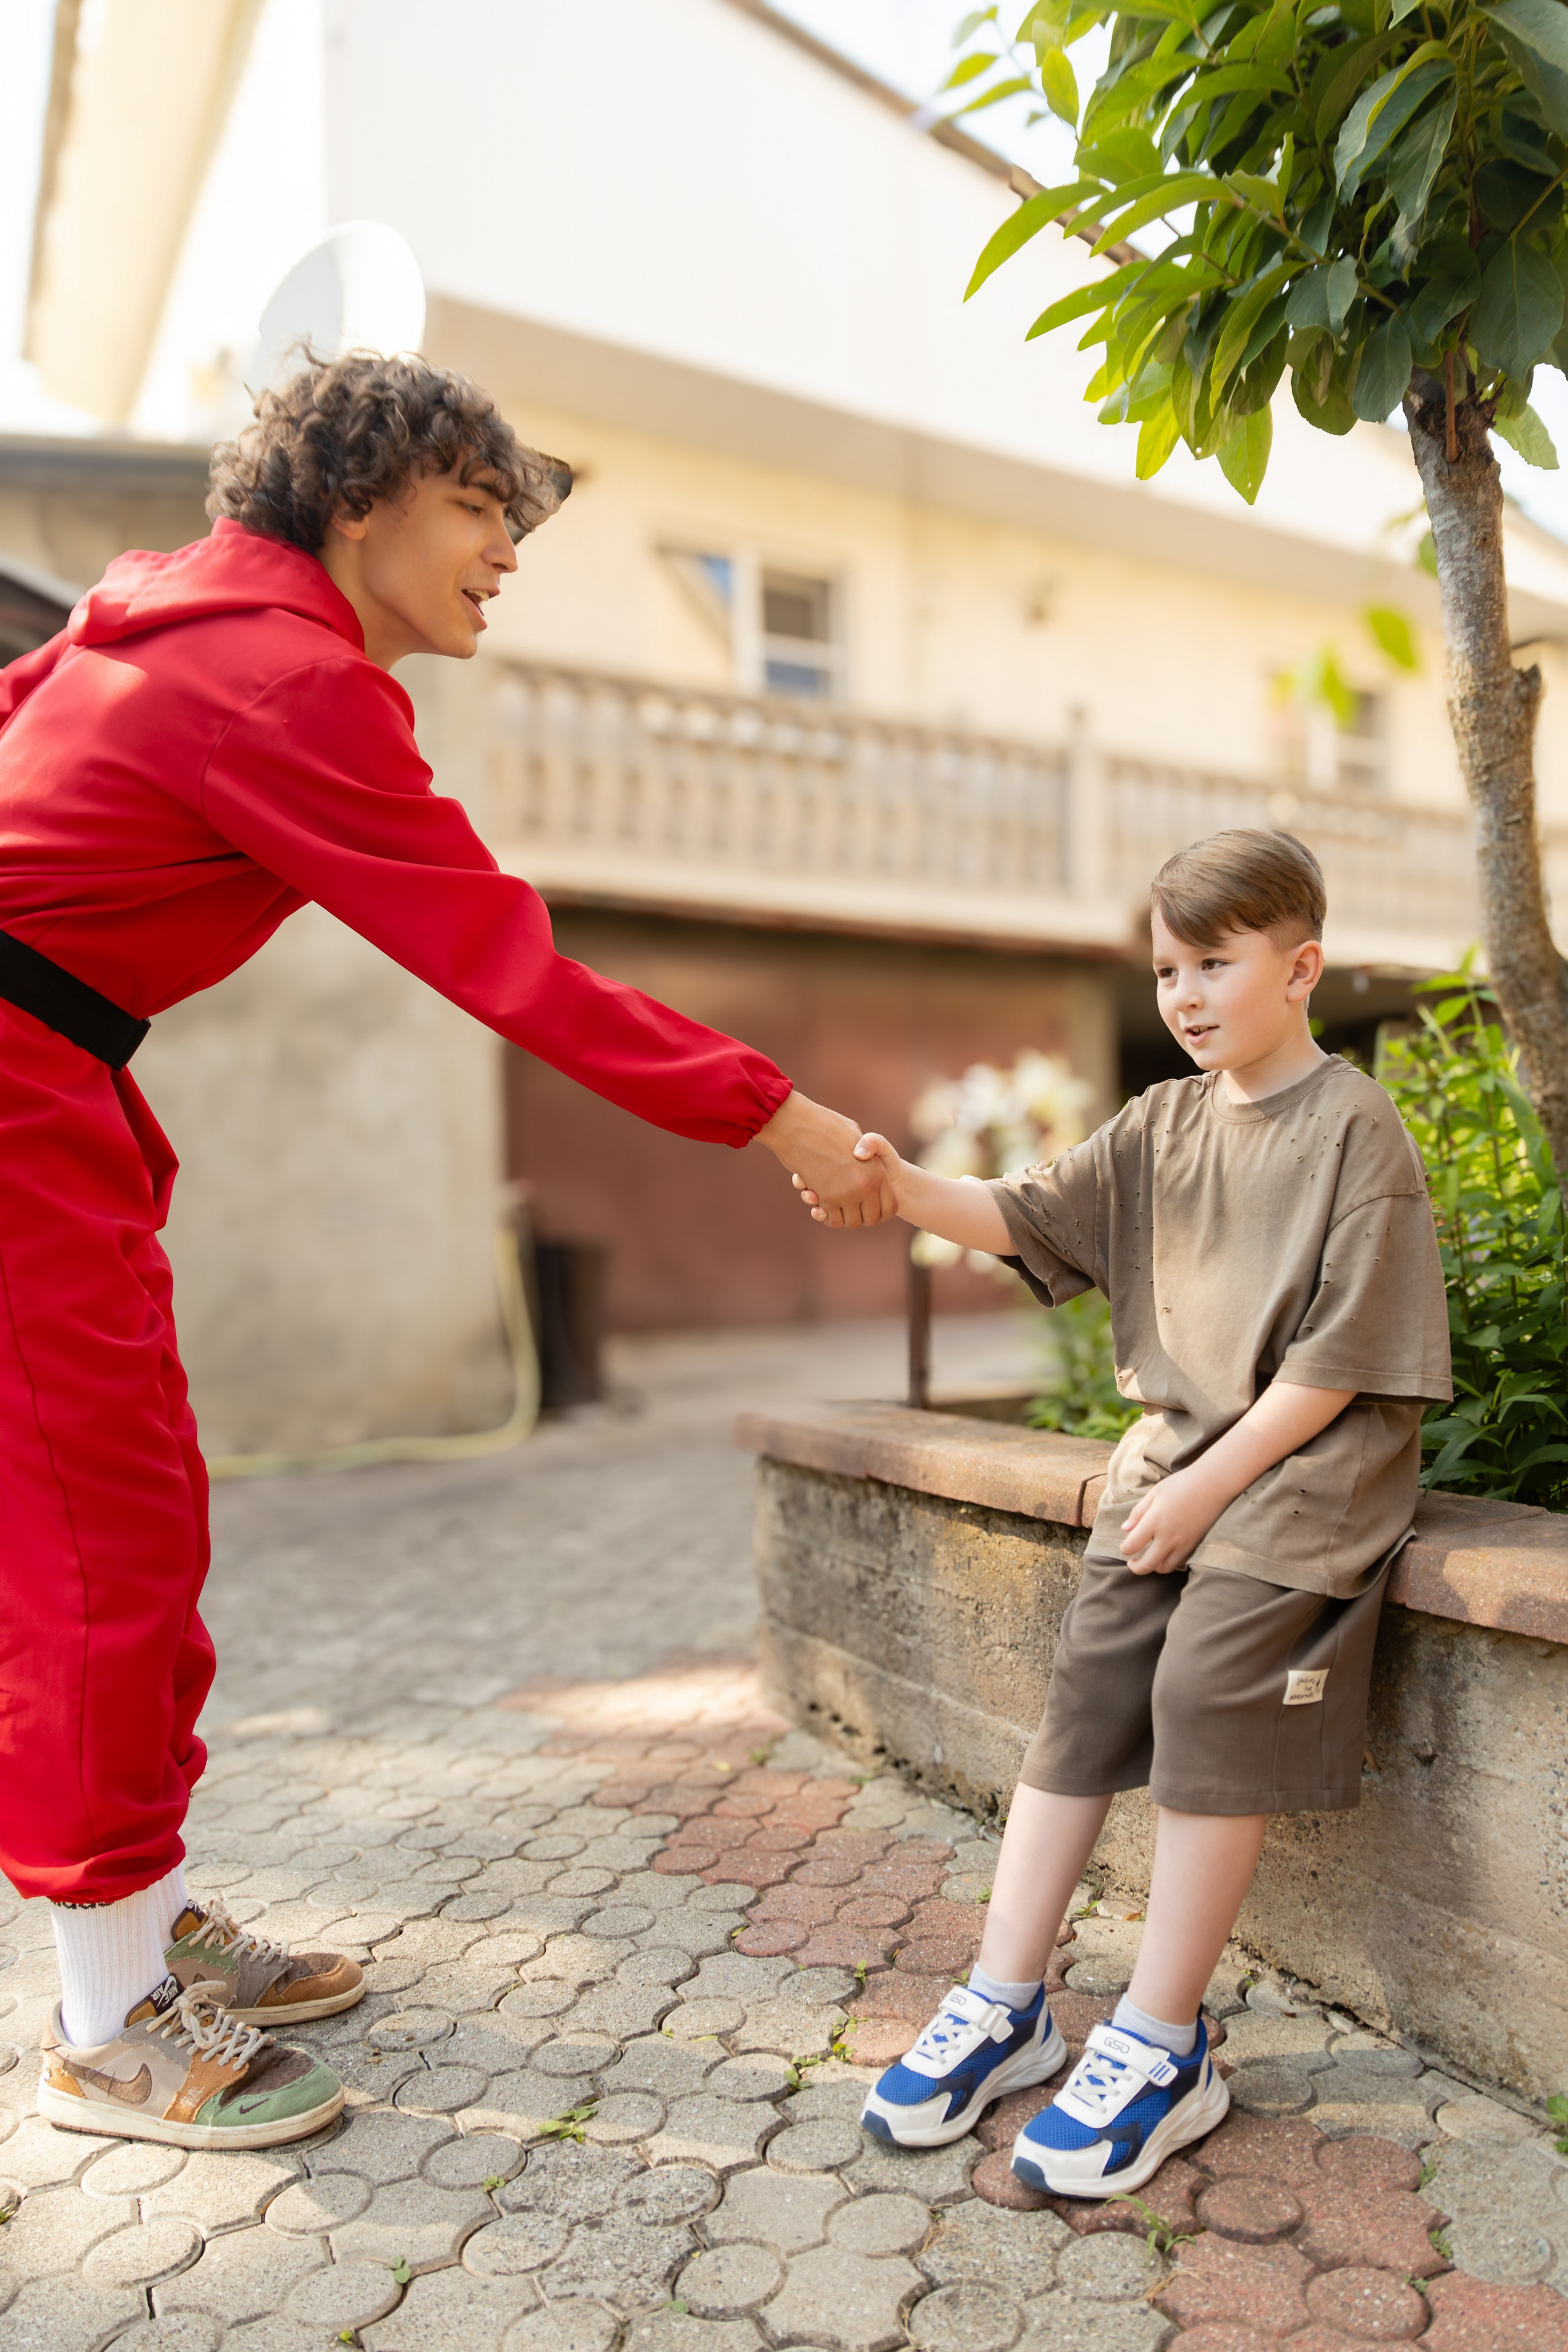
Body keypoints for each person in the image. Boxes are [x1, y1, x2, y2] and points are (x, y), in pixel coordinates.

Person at [1, 352, 892, 2152]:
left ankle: (147, 1922)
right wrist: (778, 1113)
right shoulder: (282, 685)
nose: (508, 551)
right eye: (482, 507)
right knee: (94, 1545)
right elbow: (517, 972)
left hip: (50, 1086)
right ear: (363, 500)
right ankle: (105, 2027)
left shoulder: (158, 629)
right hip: (16, 1092)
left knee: (140, 1511)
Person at [805, 829, 1450, 2196]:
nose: (1186, 995)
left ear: (1301, 967)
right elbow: (1021, 1211)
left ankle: (1163, 2043)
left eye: (1215, 964)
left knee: (1213, 1689)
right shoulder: (1158, 1123)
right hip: (1178, 1463)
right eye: (1166, 970)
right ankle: (1006, 2000)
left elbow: (1339, 1364)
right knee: (1086, 1697)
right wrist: (892, 1183)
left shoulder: (1354, 1128)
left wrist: (1209, 1490)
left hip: (1300, 1474)